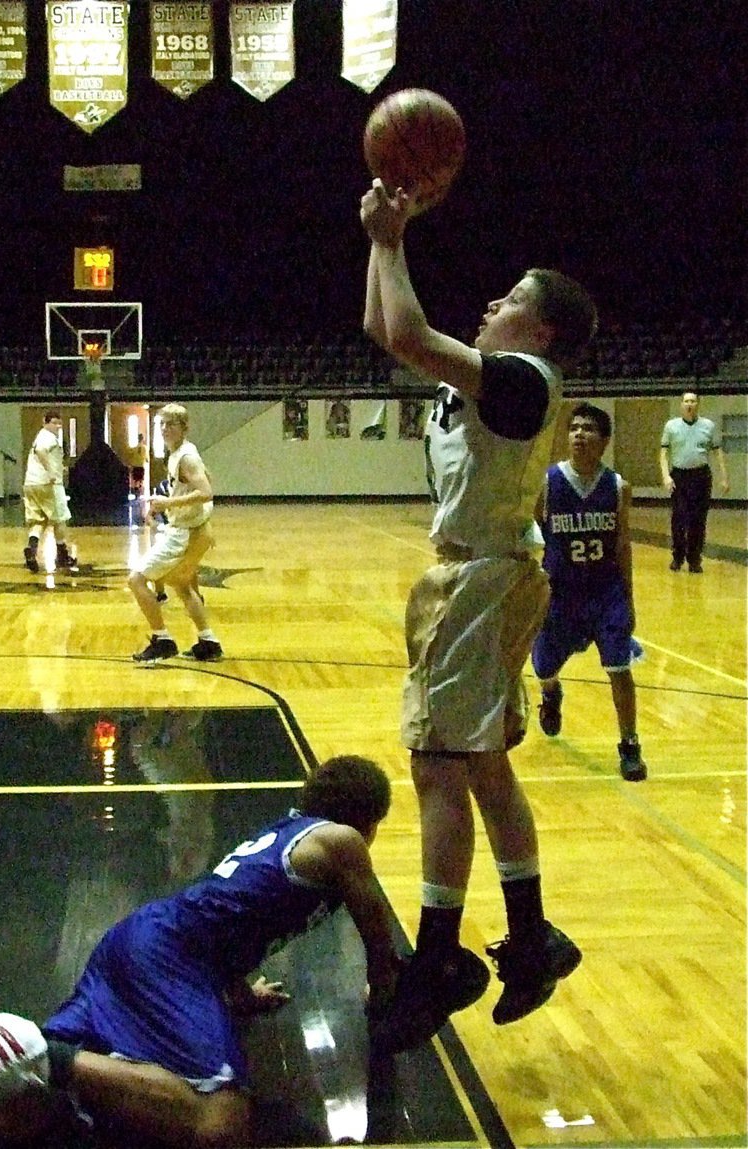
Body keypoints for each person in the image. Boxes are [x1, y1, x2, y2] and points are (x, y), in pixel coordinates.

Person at [0, 756, 401, 1149]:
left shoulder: (291, 834)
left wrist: (235, 993)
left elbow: (231, 917)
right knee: (220, 1123)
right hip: (167, 957)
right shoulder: (342, 840)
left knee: (13, 1106)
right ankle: (42, 1053)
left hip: (146, 946)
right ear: (365, 817)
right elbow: (374, 917)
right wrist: (390, 982)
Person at [359, 177, 597, 1046]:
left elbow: (412, 333)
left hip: (482, 580)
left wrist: (396, 239)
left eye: (510, 299)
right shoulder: (496, 376)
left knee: (437, 765)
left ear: (540, 330)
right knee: (484, 764)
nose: (492, 303)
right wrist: (378, 238)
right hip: (480, 579)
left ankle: (438, 960)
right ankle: (530, 937)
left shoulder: (528, 379)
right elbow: (386, 331)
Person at [531, 403, 647, 782]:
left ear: (604, 440)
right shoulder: (547, 484)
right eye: (574, 428)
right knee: (544, 667)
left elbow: (622, 545)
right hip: (560, 594)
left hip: (605, 593)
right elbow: (531, 535)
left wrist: (628, 598)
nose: (579, 434)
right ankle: (551, 694)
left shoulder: (617, 487)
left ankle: (629, 745)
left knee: (619, 668)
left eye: (589, 429)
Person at [128, 403, 222, 664]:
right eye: (162, 425)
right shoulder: (182, 453)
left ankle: (163, 640)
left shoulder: (186, 457)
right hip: (189, 527)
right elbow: (206, 480)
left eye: (172, 424)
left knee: (136, 580)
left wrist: (167, 504)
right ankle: (209, 642)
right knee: (182, 585)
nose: (166, 429)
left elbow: (206, 491)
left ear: (184, 427)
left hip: (184, 532)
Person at [659, 390, 729, 573]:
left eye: (693, 401)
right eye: (686, 401)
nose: (689, 404)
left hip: (701, 477)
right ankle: (677, 557)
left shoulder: (708, 426)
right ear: (681, 404)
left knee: (698, 520)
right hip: (679, 477)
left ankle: (695, 559)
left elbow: (717, 452)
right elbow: (663, 454)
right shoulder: (671, 426)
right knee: (679, 518)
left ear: (698, 404)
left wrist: (724, 477)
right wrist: (666, 476)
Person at [23, 410, 78, 574]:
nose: (57, 426)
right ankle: (62, 555)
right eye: (54, 423)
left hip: (31, 483)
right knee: (60, 519)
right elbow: (41, 451)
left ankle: (31, 550)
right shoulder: (47, 437)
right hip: (48, 484)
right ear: (45, 423)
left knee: (38, 521)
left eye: (59, 423)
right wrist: (52, 472)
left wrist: (59, 468)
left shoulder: (40, 436)